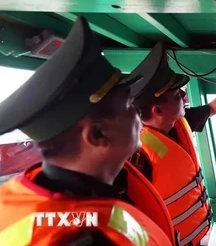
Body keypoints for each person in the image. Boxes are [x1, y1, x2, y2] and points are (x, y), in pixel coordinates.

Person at [0, 17, 174, 246]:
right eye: (129, 105)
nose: (138, 114)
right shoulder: (85, 239)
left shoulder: (20, 196)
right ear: (97, 135)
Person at [127, 42, 216, 246]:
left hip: (195, 234)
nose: (184, 96)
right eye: (177, 95)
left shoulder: (178, 122)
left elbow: (213, 107)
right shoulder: (137, 154)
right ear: (158, 111)